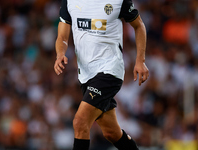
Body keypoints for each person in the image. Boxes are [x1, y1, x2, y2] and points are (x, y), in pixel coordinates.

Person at [54, 0, 149, 149]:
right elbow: (62, 37)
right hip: (86, 75)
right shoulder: (70, 2)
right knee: (111, 132)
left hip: (109, 70)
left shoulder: (118, 1)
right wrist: (60, 54)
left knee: (80, 121)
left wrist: (140, 60)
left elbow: (139, 25)